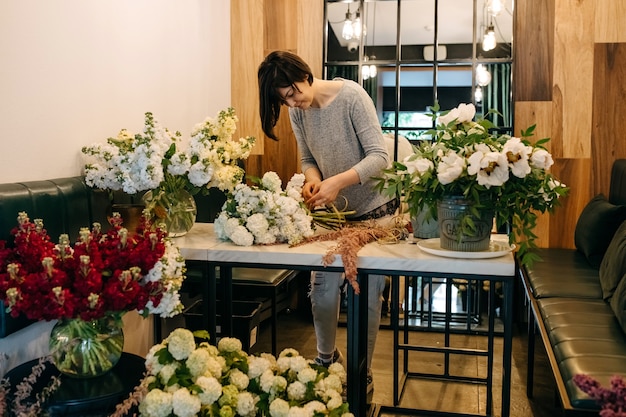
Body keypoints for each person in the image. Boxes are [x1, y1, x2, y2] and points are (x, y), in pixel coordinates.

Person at [257, 50, 400, 398]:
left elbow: (380, 157)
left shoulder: (351, 97)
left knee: (366, 297)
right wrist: (313, 180)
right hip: (335, 218)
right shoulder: (298, 113)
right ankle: (326, 359)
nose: (293, 103)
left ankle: (360, 373)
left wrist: (336, 182)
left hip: (378, 214)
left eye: (291, 93)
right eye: (283, 100)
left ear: (303, 74)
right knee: (321, 290)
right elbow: (308, 158)